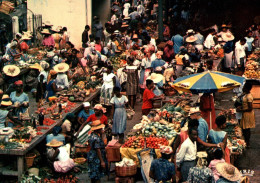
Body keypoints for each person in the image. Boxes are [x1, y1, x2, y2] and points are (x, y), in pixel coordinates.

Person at [236, 82, 255, 148]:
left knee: (247, 129)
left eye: (244, 87)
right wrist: (241, 107)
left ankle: (248, 142)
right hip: (245, 114)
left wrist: (241, 110)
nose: (243, 88)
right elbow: (245, 105)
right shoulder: (245, 95)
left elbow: (250, 108)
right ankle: (246, 141)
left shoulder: (249, 96)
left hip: (248, 114)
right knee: (244, 128)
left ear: (247, 88)